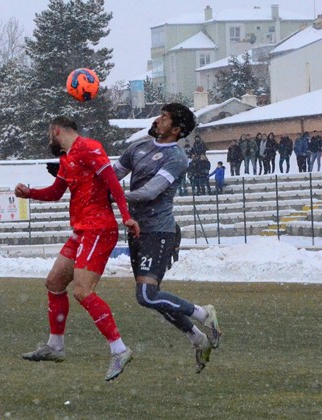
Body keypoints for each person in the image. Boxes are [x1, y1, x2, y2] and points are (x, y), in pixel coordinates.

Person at [15, 115, 140, 381]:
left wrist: (126, 215)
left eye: (50, 133)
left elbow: (112, 183)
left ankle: (119, 350)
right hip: (82, 230)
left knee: (83, 292)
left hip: (99, 229)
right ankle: (55, 346)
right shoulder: (68, 158)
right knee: (54, 282)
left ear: (56, 130)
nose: (49, 138)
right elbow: (56, 192)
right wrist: (30, 193)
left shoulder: (89, 147)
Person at [112, 103, 221, 373]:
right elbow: (111, 176)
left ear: (176, 129)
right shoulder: (137, 148)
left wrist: (114, 195)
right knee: (153, 297)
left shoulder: (176, 158)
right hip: (137, 231)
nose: (157, 120)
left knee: (147, 296)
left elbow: (151, 192)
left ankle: (203, 313)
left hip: (159, 233)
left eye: (164, 117)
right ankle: (198, 338)